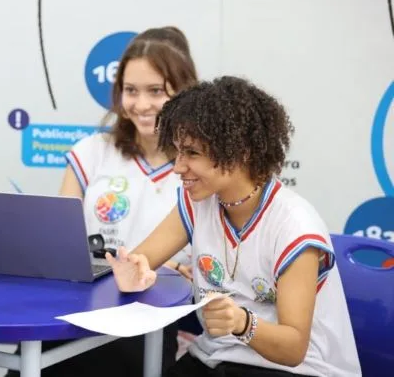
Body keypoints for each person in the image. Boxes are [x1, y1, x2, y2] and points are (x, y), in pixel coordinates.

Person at [106, 76, 362, 377]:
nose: (177, 167)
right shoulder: (196, 203)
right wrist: (131, 273)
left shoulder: (294, 226)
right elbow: (142, 261)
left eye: (192, 153)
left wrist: (242, 323)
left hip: (302, 370)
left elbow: (294, 349)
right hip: (217, 358)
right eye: (177, 152)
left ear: (239, 152)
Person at [6, 26, 198, 377]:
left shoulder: (199, 167)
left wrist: (189, 272)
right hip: (83, 305)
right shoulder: (92, 152)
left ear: (184, 91)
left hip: (154, 315)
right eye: (131, 91)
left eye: (156, 91)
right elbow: (60, 241)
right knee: (35, 352)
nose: (141, 105)